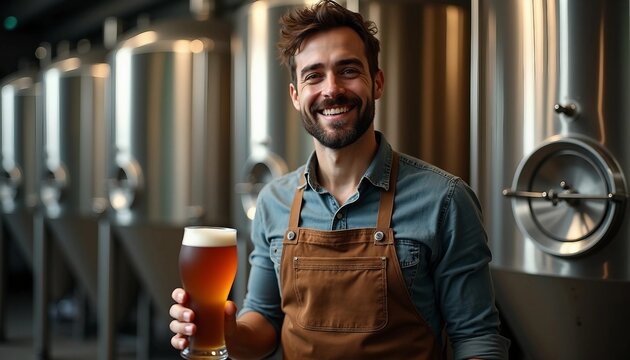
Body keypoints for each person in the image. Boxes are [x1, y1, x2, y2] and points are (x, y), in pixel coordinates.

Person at [170, 0, 510, 358]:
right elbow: (265, 322)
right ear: (296, 96)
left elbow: (476, 338)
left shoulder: (445, 200)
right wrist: (227, 332)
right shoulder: (273, 202)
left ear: (377, 82)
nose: (331, 89)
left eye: (348, 70)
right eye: (313, 75)